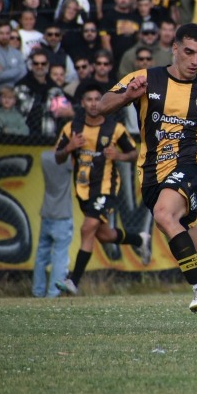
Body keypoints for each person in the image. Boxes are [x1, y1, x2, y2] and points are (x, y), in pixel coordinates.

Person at [98, 23, 197, 328]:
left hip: (190, 167)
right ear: (176, 49)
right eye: (190, 53)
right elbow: (102, 106)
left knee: (164, 215)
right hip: (152, 175)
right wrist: (128, 95)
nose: (195, 60)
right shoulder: (146, 79)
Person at [54, 83, 151, 296]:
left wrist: (119, 156)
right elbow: (58, 156)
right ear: (82, 103)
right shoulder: (72, 128)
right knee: (104, 235)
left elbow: (134, 154)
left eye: (97, 99)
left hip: (106, 187)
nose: (93, 103)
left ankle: (73, 281)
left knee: (87, 228)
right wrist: (69, 148)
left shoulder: (115, 129)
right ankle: (140, 239)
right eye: (89, 99)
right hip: (83, 190)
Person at [31, 149, 73, 298]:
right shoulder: (68, 161)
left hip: (47, 212)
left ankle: (37, 291)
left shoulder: (45, 157)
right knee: (60, 256)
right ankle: (53, 294)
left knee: (41, 256)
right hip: (62, 214)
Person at [0, 21, 28, 102]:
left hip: (16, 95)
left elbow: (24, 73)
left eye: (7, 33)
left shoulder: (16, 52)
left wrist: (6, 72)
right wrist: (17, 69)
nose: (5, 36)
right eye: (1, 33)